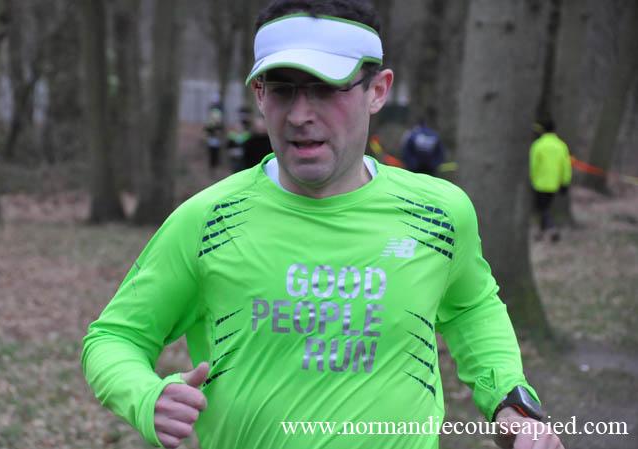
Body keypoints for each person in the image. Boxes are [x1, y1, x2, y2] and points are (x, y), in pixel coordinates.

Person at [82, 2, 565, 449]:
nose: (300, 115)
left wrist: (510, 398)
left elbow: (471, 307)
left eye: (325, 89)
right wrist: (146, 397)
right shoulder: (208, 220)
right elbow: (114, 338)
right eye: (282, 89)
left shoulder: (440, 213)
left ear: (378, 91)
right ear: (259, 94)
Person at [529, 119, 572, 241]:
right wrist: (565, 182)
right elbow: (566, 166)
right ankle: (541, 233)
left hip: (539, 183)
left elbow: (534, 165)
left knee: (543, 208)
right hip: (554, 184)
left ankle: (552, 228)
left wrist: (532, 179)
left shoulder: (538, 145)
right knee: (546, 207)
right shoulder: (561, 145)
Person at [203, 102, 224, 173]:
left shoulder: (219, 124)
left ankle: (215, 167)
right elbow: (206, 131)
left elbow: (221, 132)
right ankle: (212, 169)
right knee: (212, 155)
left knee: (216, 155)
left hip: (217, 142)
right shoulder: (210, 124)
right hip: (211, 141)